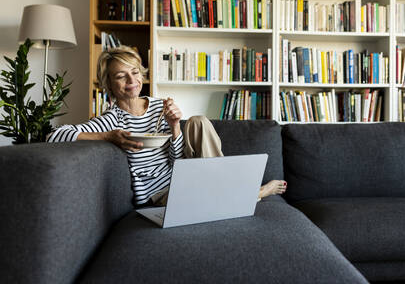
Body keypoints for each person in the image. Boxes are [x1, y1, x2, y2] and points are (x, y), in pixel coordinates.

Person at [48, 46, 286, 207]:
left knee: (198, 121)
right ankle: (254, 193)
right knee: (210, 199)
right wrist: (109, 137)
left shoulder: (158, 106)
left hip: (183, 176)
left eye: (134, 72)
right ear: (109, 84)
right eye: (121, 76)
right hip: (159, 195)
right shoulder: (112, 120)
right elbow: (54, 135)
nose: (132, 81)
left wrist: (174, 127)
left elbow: (175, 159)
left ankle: (226, 187)